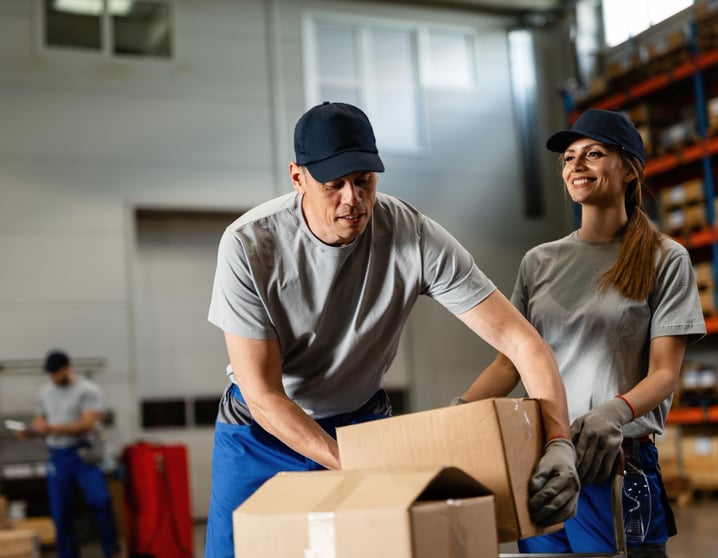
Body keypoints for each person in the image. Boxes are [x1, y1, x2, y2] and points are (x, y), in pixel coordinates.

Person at [204, 101, 580, 558]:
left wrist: (559, 441)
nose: (353, 199)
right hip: (260, 433)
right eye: (334, 184)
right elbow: (263, 394)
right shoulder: (249, 245)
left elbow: (522, 342)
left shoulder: (413, 236)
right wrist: (355, 467)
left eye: (364, 181)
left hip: (360, 422)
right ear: (297, 177)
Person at [455, 108, 706, 557]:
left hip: (614, 461)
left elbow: (665, 374)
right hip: (544, 461)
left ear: (629, 169)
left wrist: (614, 413)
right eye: (570, 158)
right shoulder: (539, 262)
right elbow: (508, 361)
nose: (576, 166)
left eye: (593, 154)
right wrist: (458, 416)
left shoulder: (665, 259)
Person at [26, 350, 119, 558]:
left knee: (100, 501)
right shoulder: (45, 392)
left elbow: (87, 424)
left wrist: (51, 428)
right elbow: (40, 420)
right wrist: (32, 429)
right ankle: (68, 555)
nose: (53, 378)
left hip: (82, 454)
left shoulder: (88, 390)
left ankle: (110, 549)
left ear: (67, 368)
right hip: (58, 456)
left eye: (56, 373)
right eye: (50, 374)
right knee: (60, 511)